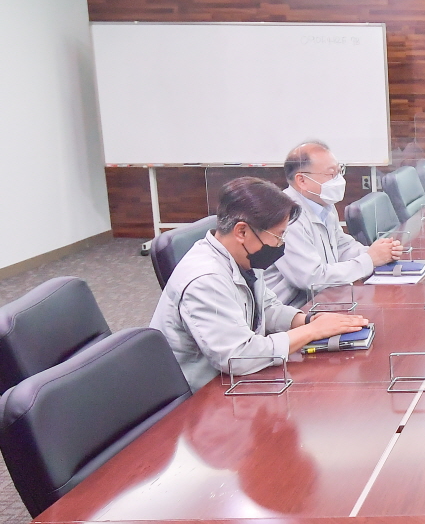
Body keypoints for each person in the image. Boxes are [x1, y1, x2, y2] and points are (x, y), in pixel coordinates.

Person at [151, 176, 369, 391]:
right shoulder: (206, 279)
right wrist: (311, 331)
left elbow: (266, 308)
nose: (281, 244)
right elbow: (239, 357)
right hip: (200, 395)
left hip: (232, 380)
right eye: (278, 235)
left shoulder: (244, 256)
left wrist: (308, 320)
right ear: (242, 232)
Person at [263, 141, 403, 309]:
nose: (339, 180)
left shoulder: (323, 204)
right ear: (302, 180)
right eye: (331, 174)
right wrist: (369, 260)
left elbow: (341, 246)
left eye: (339, 171)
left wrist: (378, 252)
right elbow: (313, 278)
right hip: (294, 309)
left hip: (324, 298)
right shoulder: (286, 216)